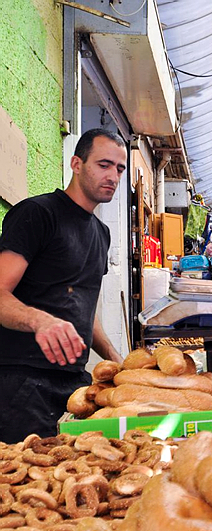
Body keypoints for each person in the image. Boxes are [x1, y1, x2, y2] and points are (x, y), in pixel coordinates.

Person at [0, 128, 126, 442]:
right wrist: (40, 320)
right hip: (22, 381)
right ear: (76, 164)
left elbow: (82, 307)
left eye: (119, 169)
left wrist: (117, 361)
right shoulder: (38, 214)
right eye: (104, 164)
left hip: (74, 384)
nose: (113, 175)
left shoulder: (101, 233)